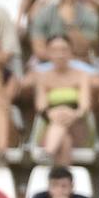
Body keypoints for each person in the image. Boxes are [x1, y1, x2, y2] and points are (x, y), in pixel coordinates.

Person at [31, 34, 94, 165]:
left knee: (61, 123)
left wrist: (72, 114)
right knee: (64, 140)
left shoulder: (82, 76)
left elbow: (85, 106)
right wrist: (54, 115)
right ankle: (60, 175)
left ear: (71, 52)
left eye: (64, 50)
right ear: (48, 53)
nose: (60, 54)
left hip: (78, 123)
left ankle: (48, 153)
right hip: (50, 122)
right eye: (55, 50)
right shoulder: (42, 77)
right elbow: (41, 106)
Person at [28, 0, 99, 64]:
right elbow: (39, 50)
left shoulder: (89, 13)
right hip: (46, 62)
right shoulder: (42, 12)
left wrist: (69, 23)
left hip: (79, 64)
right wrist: (61, 60)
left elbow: (82, 49)